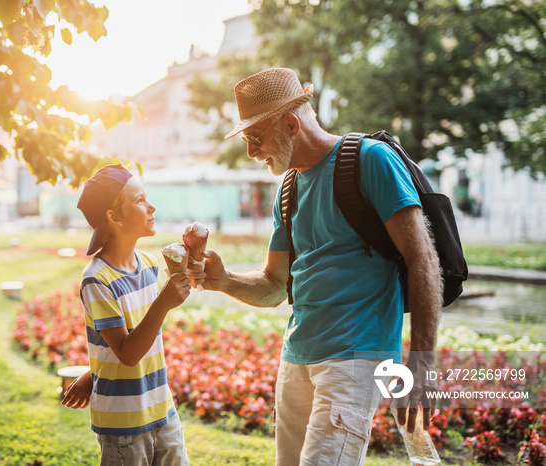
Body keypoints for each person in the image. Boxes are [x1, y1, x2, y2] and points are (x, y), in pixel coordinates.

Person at [190, 68, 442, 465]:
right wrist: (224, 281)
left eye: (255, 138)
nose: (252, 153)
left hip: (355, 360)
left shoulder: (371, 161)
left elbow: (422, 258)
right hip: (296, 360)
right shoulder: (287, 191)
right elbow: (275, 286)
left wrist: (423, 362)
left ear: (290, 123)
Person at [62, 164, 191, 466]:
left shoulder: (148, 265)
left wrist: (94, 372)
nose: (152, 206)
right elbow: (127, 353)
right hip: (123, 426)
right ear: (114, 217)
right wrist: (163, 304)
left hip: (161, 407)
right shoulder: (97, 280)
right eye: (140, 200)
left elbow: (127, 339)